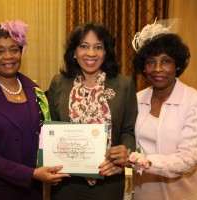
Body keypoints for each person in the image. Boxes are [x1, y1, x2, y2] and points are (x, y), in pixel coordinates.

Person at [0, 20, 69, 200]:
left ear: (21, 52)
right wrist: (31, 174)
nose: (8, 56)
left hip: (32, 190)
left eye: (14, 49)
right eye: (0, 51)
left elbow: (45, 135)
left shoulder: (34, 90)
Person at [47, 22, 138, 200]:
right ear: (74, 52)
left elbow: (128, 130)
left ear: (106, 52)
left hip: (109, 178)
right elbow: (51, 127)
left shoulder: (124, 84)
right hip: (67, 181)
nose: (91, 53)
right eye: (83, 46)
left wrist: (123, 157)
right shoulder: (58, 83)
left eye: (98, 47)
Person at [132, 19, 197, 200]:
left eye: (165, 61)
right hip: (144, 192)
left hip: (184, 194)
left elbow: (188, 158)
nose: (157, 69)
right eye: (151, 62)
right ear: (143, 67)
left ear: (178, 65)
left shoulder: (196, 102)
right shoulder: (136, 99)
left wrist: (136, 161)